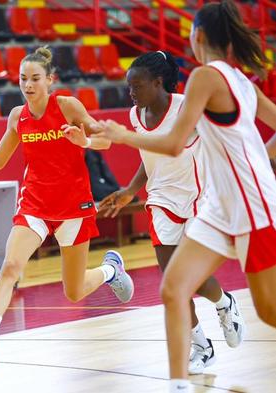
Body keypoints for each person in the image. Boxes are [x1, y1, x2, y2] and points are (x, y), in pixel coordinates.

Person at [83, 2, 276, 391]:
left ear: (198, 35)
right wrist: (261, 154)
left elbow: (172, 145)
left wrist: (119, 136)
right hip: (220, 208)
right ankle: (180, 384)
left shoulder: (206, 78)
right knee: (173, 288)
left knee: (270, 312)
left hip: (250, 206)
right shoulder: (240, 80)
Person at [0, 46, 135, 372]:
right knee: (11, 266)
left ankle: (111, 270)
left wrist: (84, 142)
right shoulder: (18, 116)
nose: (28, 85)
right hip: (35, 205)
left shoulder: (67, 106)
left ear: (50, 80)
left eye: (35, 78)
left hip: (73, 206)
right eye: (23, 78)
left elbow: (105, 141)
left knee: (73, 292)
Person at [98, 51, 245, 375]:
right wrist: (129, 191)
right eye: (128, 87)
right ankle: (202, 348)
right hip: (161, 199)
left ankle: (224, 303)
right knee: (172, 279)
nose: (131, 93)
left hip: (199, 199)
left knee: (191, 278)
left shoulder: (186, 108)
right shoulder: (137, 115)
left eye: (137, 86)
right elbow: (149, 155)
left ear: (158, 82)